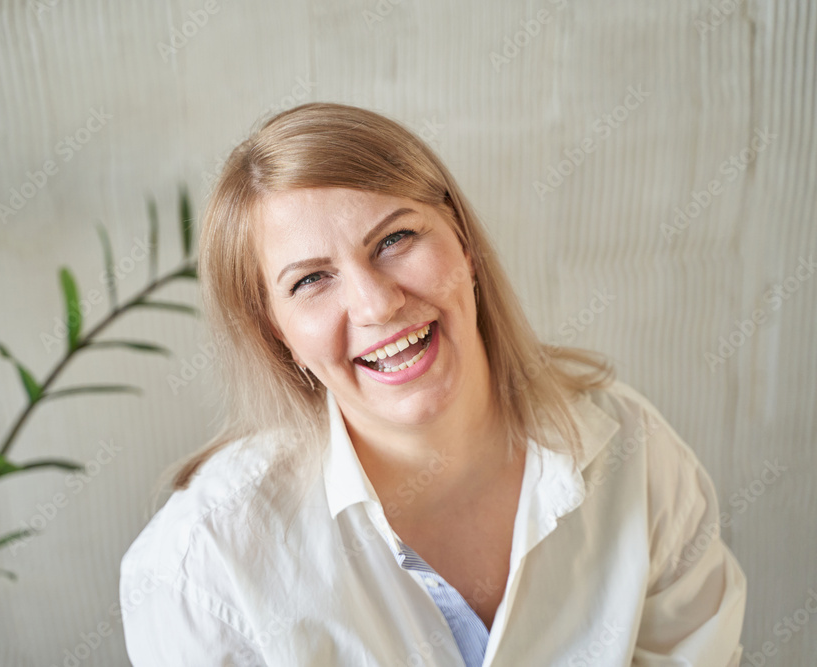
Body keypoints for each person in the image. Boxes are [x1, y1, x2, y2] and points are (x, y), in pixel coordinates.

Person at [119, 102, 746, 666]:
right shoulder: (200, 567)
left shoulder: (636, 455)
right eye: (310, 280)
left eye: (395, 239)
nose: (376, 304)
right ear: (276, 333)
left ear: (464, 244)